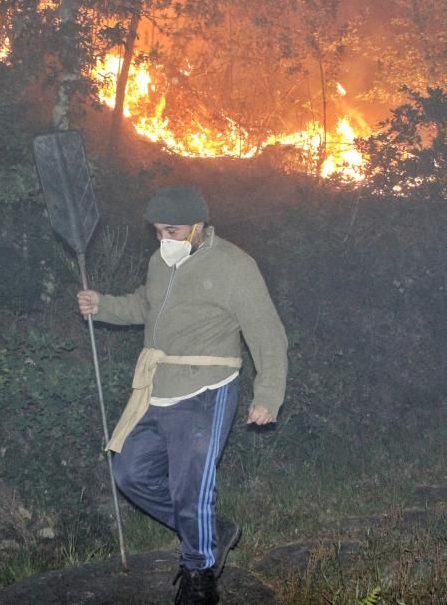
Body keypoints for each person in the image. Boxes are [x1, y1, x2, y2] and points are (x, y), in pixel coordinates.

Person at [77, 186, 287, 605]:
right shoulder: (161, 261)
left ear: (198, 227)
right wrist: (102, 306)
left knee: (191, 490)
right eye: (156, 232)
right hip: (160, 386)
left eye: (170, 231)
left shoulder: (235, 266)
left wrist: (268, 394)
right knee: (130, 474)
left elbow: (267, 334)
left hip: (208, 388)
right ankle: (209, 531)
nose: (163, 240)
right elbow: (146, 306)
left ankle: (199, 575)